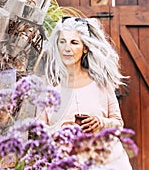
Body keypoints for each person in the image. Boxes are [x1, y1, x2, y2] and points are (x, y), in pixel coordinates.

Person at [40, 16, 132, 169]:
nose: (66, 48)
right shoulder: (50, 88)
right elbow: (40, 132)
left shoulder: (101, 83)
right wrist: (62, 130)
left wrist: (101, 122)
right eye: (62, 42)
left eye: (74, 42)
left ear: (85, 48)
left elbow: (118, 123)